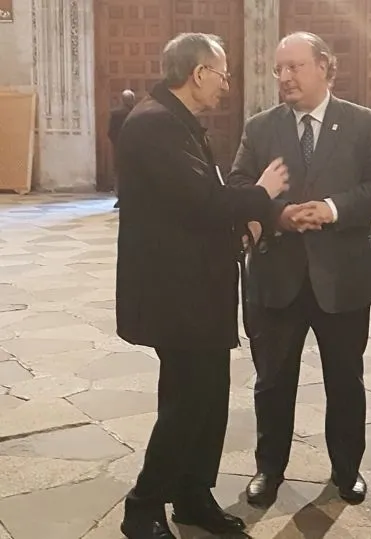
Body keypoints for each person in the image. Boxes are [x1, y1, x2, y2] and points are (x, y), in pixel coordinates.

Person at [115, 33, 289, 539]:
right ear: (197, 74)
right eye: (222, 74)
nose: (226, 85)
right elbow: (202, 201)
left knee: (208, 399)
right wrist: (262, 193)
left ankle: (192, 496)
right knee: (187, 402)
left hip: (198, 289)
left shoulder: (178, 121)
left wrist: (242, 223)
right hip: (176, 293)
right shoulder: (154, 123)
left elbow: (195, 205)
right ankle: (142, 506)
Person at [228, 31, 371, 508]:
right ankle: (269, 469)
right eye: (279, 68)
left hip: (342, 276)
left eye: (295, 66)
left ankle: (346, 470)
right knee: (272, 381)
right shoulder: (260, 128)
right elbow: (239, 183)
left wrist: (332, 209)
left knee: (345, 379)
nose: (284, 76)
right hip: (276, 273)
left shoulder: (364, 124)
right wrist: (278, 214)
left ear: (325, 66)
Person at [108, 89, 136, 208]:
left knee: (120, 173)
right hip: (135, 148)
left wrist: (117, 143)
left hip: (120, 147)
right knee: (134, 172)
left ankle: (121, 197)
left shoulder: (116, 114)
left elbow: (111, 132)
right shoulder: (137, 112)